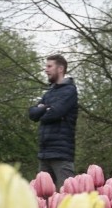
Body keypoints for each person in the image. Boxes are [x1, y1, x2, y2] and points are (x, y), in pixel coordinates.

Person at [29, 54, 78, 189]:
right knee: (42, 199)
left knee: (67, 195)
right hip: (44, 152)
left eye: (49, 66)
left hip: (61, 153)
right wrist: (46, 109)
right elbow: (32, 114)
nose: (46, 69)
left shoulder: (70, 91)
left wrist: (42, 110)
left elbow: (55, 113)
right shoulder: (49, 93)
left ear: (60, 68)